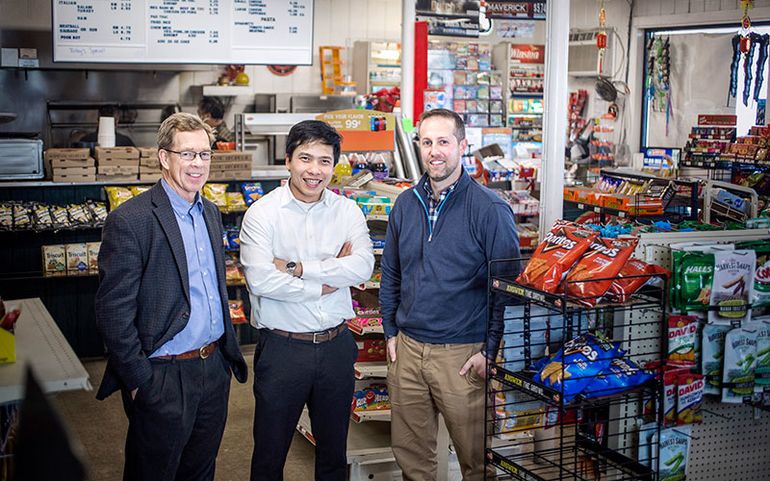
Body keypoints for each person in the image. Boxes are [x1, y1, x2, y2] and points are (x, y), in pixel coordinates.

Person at [94, 112, 248, 481]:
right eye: (187, 154)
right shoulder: (132, 219)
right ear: (164, 157)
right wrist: (139, 380)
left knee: (200, 470)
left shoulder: (210, 211)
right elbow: (113, 309)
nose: (198, 164)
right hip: (163, 373)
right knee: (154, 472)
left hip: (212, 368)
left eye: (205, 154)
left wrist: (223, 359)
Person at [379, 108, 520, 481]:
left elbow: (507, 289)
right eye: (427, 142)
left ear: (462, 145)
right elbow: (391, 272)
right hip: (408, 352)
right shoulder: (406, 204)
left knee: (477, 462)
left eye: (443, 142)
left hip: (462, 355)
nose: (434, 151)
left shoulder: (490, 209)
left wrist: (491, 350)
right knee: (413, 462)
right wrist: (390, 331)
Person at [239, 120, 374, 481]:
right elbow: (262, 280)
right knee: (269, 455)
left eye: (324, 161)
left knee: (333, 455)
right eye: (305, 158)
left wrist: (298, 268)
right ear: (288, 161)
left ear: (334, 166)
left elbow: (362, 265)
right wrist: (326, 280)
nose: (314, 170)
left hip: (336, 346)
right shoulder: (262, 214)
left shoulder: (347, 211)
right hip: (283, 350)